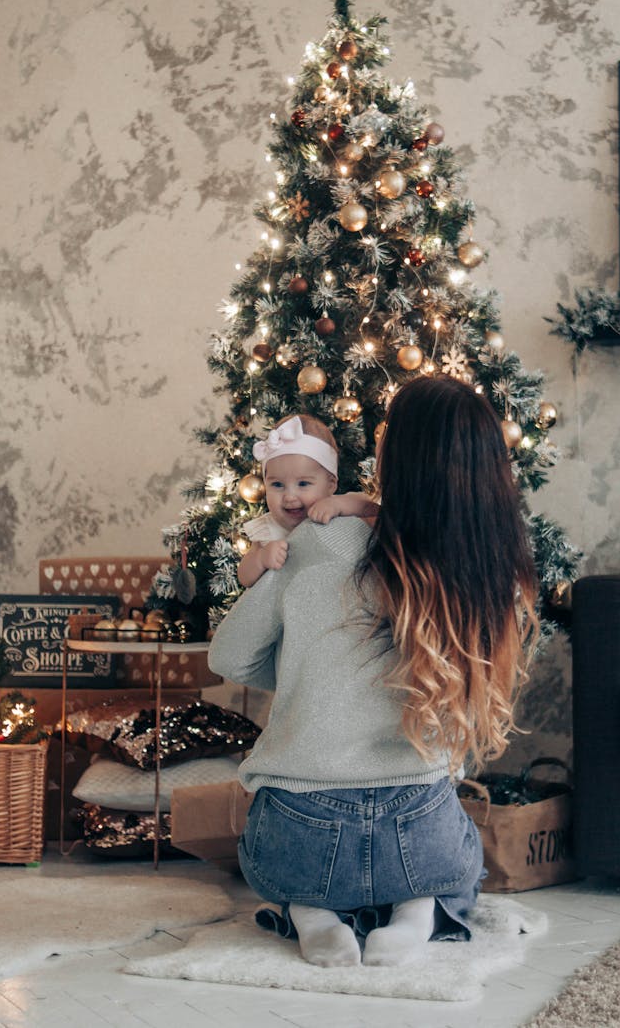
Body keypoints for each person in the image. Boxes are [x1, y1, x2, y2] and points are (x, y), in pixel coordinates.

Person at [209, 376, 539, 968]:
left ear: (397, 459)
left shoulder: (323, 535)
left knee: (274, 859)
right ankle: (417, 912)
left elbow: (230, 659)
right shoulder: (485, 572)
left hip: (302, 827)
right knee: (460, 860)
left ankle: (311, 913)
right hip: (419, 831)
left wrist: (304, 666)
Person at [237, 413, 378, 588]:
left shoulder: (339, 506)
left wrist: (339, 504)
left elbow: (375, 511)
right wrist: (261, 559)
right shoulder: (270, 530)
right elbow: (244, 576)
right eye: (277, 484)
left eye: (303, 483)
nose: (289, 496)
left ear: (331, 484)